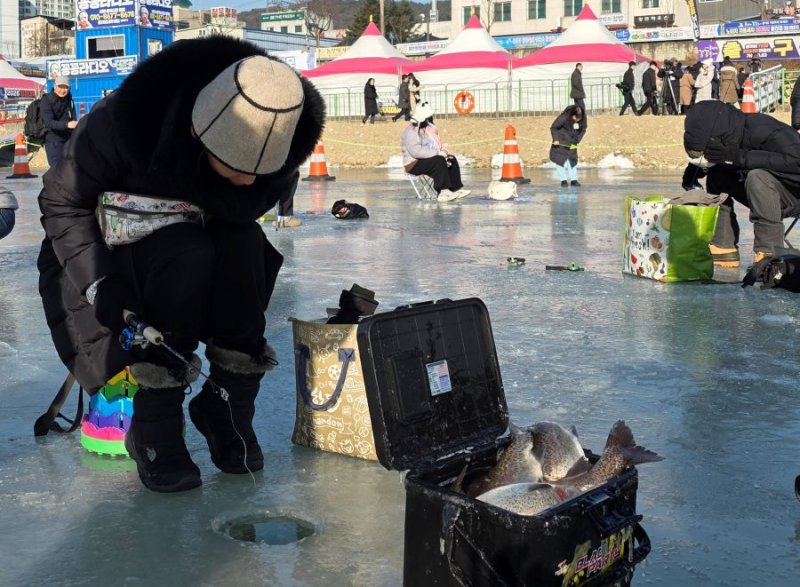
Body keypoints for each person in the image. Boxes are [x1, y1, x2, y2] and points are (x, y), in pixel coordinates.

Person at [37, 36, 325, 493]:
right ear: (197, 134)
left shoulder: (281, 127)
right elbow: (61, 205)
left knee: (246, 244)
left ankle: (227, 408)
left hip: (191, 246)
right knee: (186, 250)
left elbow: (241, 209)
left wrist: (233, 193)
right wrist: (100, 284)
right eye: (237, 168)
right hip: (103, 257)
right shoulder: (121, 124)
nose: (249, 181)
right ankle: (155, 423)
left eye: (262, 172)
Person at [683, 100, 800, 267]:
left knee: (757, 176)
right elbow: (719, 157)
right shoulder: (729, 137)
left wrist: (740, 157)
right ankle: (724, 246)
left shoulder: (763, 128)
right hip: (765, 196)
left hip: (794, 194)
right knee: (717, 174)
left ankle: (769, 252)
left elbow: (796, 160)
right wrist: (695, 169)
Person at [401, 103, 470, 202]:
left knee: (451, 159)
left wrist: (443, 151)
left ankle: (454, 189)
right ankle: (443, 191)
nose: (429, 119)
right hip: (413, 164)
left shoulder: (427, 129)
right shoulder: (411, 132)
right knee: (439, 160)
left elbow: (434, 144)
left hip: (424, 160)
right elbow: (416, 151)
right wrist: (437, 152)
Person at [39, 76, 77, 168]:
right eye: (60, 87)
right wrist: (67, 124)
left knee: (71, 169)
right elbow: (49, 122)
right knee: (57, 170)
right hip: (53, 141)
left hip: (68, 139)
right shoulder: (46, 100)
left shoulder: (69, 100)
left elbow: (73, 118)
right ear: (55, 86)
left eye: (65, 87)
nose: (62, 90)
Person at [549, 104, 586, 188]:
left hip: (573, 143)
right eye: (576, 118)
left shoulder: (581, 120)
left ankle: (574, 180)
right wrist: (556, 139)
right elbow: (553, 128)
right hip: (561, 142)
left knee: (572, 160)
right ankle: (563, 180)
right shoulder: (563, 117)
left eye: (580, 118)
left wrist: (577, 140)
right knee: (560, 161)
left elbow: (583, 130)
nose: (578, 120)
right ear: (572, 115)